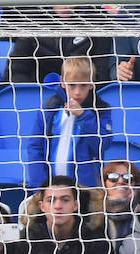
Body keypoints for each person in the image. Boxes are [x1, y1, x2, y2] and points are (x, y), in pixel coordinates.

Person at [41, 56, 106, 188]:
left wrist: (83, 116)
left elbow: (100, 145)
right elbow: (35, 146)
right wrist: (39, 184)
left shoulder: (100, 109)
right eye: (72, 85)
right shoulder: (49, 107)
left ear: (92, 84)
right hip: (51, 185)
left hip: (85, 187)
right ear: (62, 82)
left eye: (83, 86)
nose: (77, 92)